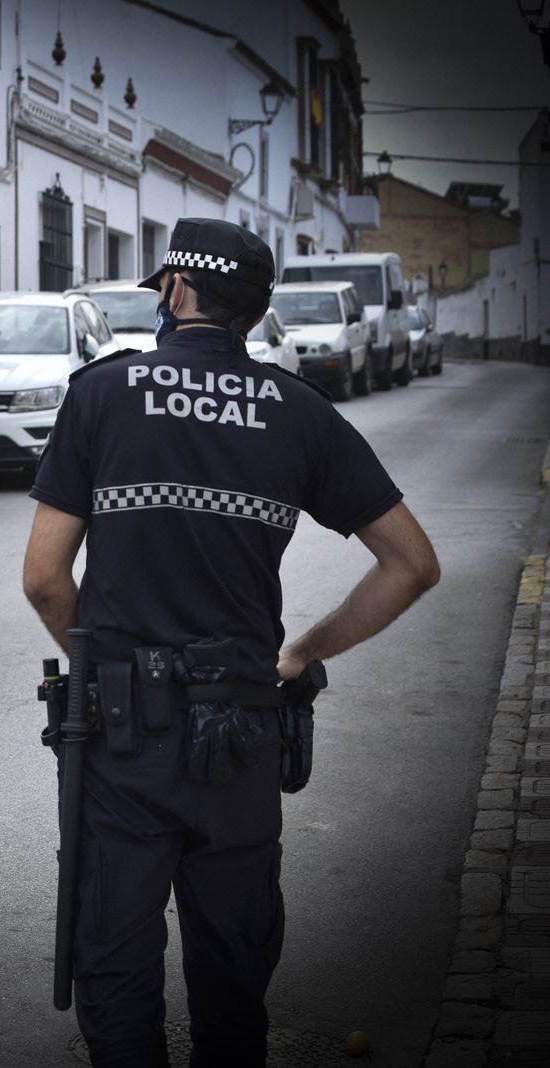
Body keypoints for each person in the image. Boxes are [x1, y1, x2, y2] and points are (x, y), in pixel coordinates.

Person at [22, 217, 441, 1067]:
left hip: (123, 741)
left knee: (117, 977)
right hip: (242, 738)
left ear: (177, 292)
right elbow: (412, 564)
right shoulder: (300, 414)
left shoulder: (103, 395)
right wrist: (300, 653)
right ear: (254, 312)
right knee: (233, 986)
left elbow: (42, 578)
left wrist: (100, 658)